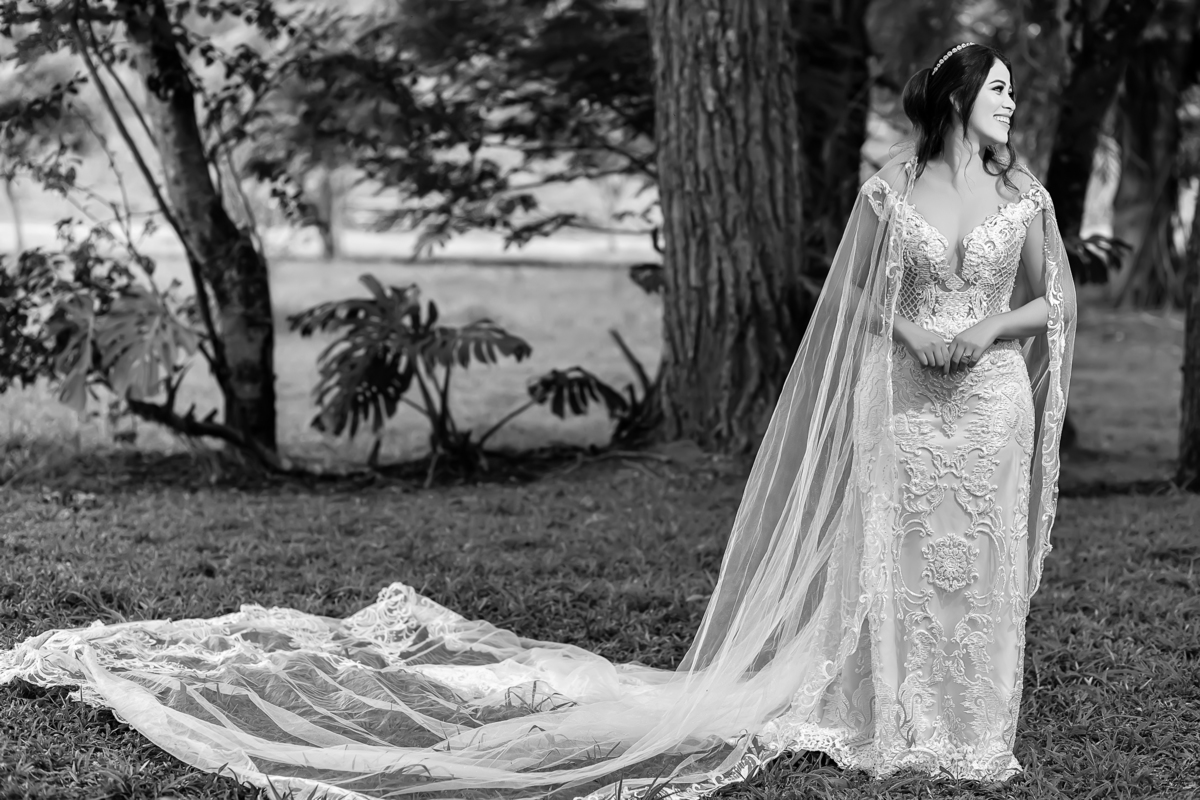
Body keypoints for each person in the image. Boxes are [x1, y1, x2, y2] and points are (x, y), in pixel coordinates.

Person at [0, 42, 1074, 800]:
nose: (1011, 105)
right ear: (956, 97)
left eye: (1013, 95)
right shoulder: (890, 192)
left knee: (974, 559)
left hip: (986, 400)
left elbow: (1049, 302)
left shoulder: (1024, 195)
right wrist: (910, 327)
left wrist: (986, 329)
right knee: (902, 554)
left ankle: (973, 729)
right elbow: (851, 300)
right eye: (999, 90)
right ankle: (899, 720)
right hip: (906, 397)